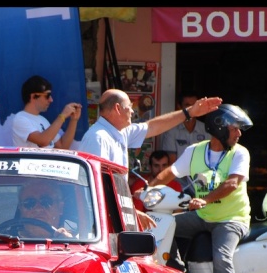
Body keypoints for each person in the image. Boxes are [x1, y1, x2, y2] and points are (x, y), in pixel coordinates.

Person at [147, 103, 253, 273]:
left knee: (222, 257)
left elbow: (232, 184)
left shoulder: (240, 154)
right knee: (163, 226)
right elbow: (170, 172)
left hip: (232, 219)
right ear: (220, 128)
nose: (239, 134)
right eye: (235, 129)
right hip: (202, 215)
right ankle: (180, 272)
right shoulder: (194, 152)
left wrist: (204, 200)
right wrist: (148, 189)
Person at [79, 89, 222, 230]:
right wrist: (132, 212)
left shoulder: (120, 132)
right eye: (129, 107)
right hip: (99, 221)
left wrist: (189, 112)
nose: (133, 111)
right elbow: (99, 186)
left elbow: (152, 127)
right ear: (117, 108)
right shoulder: (98, 138)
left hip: (112, 216)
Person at [11, 75, 81, 149]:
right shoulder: (20, 119)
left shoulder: (43, 120)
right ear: (33, 96)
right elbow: (43, 140)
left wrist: (74, 120)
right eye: (47, 95)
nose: (51, 100)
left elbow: (62, 146)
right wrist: (63, 115)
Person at [160, 90, 210, 163]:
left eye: (194, 105)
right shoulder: (171, 130)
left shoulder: (206, 129)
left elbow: (209, 158)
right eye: (187, 105)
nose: (192, 108)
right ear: (179, 107)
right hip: (179, 173)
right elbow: (171, 162)